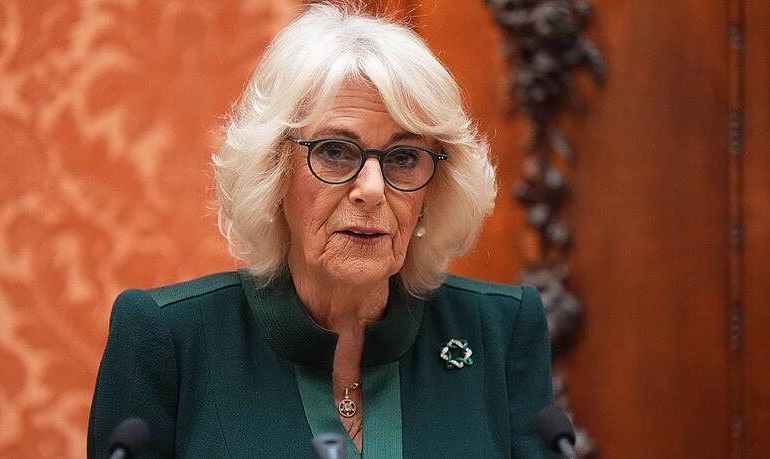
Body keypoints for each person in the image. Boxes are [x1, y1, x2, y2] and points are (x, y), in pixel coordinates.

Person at [88, 4, 557, 458]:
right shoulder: (169, 339)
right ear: (273, 170)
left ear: (433, 190)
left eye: (404, 158)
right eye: (335, 151)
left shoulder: (500, 331)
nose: (372, 189)